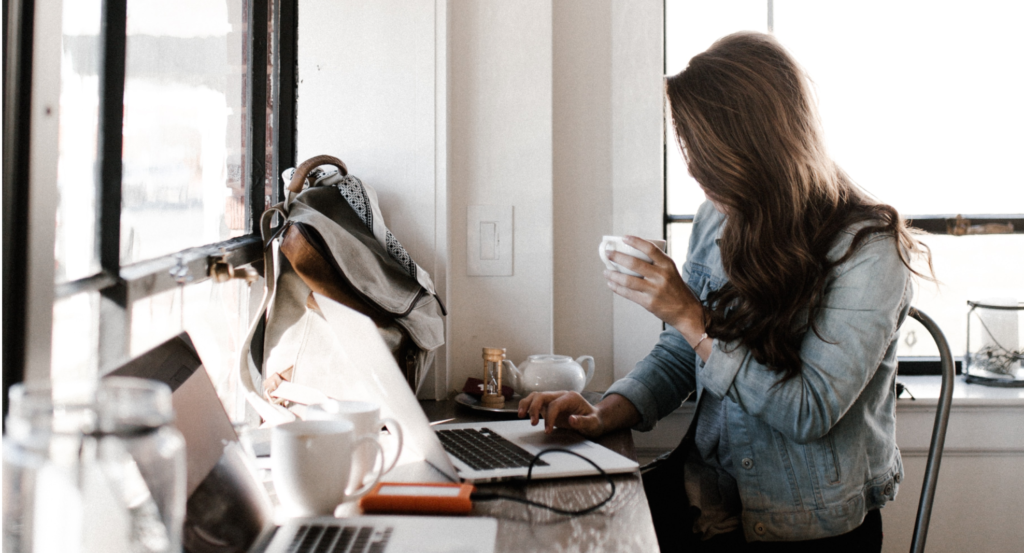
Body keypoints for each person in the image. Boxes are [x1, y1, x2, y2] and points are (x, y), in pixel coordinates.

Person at [518, 31, 932, 552]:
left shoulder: (870, 252)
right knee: (556, 525)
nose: (695, 171)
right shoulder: (720, 216)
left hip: (804, 526)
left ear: (757, 149)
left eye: (705, 155)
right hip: (706, 498)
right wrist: (605, 412)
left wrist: (691, 316)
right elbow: (680, 352)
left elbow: (808, 411)